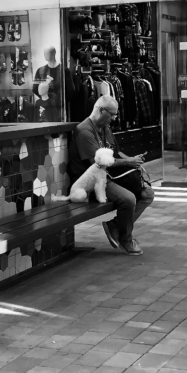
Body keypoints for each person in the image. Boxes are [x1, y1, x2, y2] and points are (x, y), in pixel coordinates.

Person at [70, 95, 154, 255]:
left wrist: (132, 160)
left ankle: (115, 226)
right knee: (128, 199)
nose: (115, 118)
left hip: (109, 176)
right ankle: (126, 239)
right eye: (112, 114)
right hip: (91, 182)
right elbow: (100, 162)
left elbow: (116, 152)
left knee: (147, 193)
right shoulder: (84, 131)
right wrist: (128, 163)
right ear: (101, 110)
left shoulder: (105, 128)